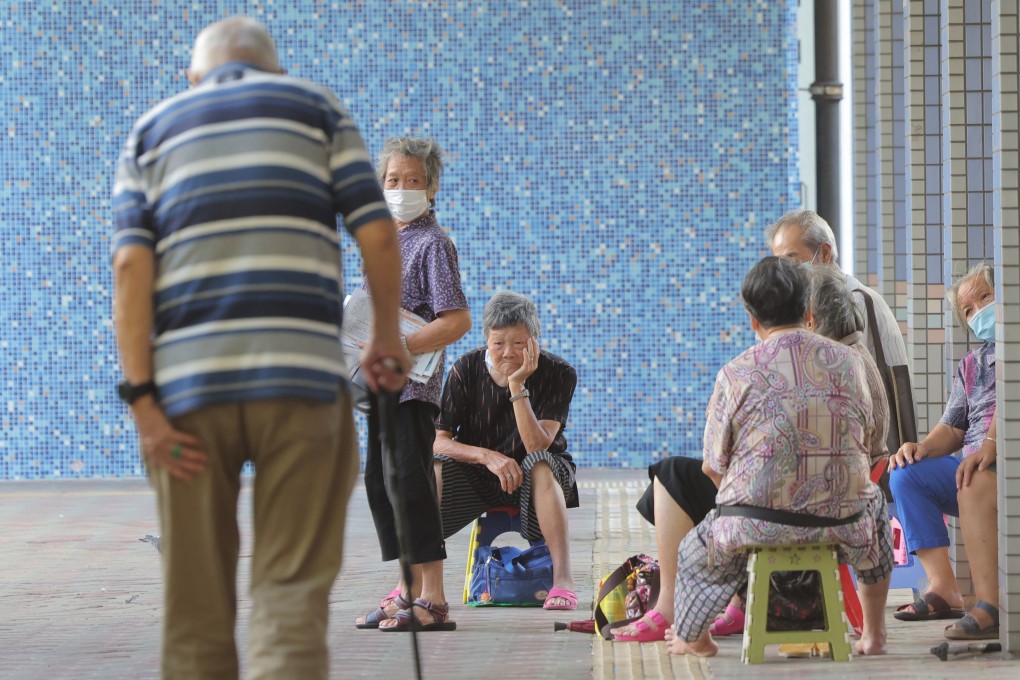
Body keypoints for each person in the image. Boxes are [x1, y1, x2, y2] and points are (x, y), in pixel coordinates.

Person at [111, 17, 408, 679]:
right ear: (276, 72)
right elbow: (378, 233)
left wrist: (145, 407)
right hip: (302, 391)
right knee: (290, 599)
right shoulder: (315, 108)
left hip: (187, 402)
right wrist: (386, 338)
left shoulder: (151, 132)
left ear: (193, 77)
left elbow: (130, 269)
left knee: (194, 609)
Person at [612, 264, 890, 643]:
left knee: (693, 552)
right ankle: (873, 634)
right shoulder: (850, 362)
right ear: (809, 311)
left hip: (754, 528)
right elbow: (870, 441)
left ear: (752, 319)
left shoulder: (735, 373)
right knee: (877, 515)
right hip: (845, 524)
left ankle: (695, 640)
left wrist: (754, 497)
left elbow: (712, 467)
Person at [356, 137, 472, 633]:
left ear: (432, 187)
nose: (401, 188)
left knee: (411, 487)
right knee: (382, 485)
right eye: (393, 180)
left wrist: (400, 346)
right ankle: (407, 589)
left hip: (413, 388)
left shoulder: (432, 244)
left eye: (413, 180)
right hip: (380, 386)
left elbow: (457, 320)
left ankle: (434, 600)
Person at [433, 291, 580, 610]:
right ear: (486, 340)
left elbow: (537, 445)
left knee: (539, 462)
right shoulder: (466, 369)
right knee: (435, 468)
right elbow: (439, 440)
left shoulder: (559, 372)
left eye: (519, 343)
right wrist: (487, 457)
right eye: (498, 343)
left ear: (534, 341)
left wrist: (517, 386)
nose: (508, 352)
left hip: (540, 480)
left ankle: (563, 581)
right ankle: (419, 585)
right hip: (480, 475)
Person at [888, 263, 999, 640]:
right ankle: (943, 588)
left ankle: (989, 606)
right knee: (905, 474)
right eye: (968, 310)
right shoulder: (972, 365)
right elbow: (953, 427)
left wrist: (991, 444)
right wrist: (919, 448)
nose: (979, 311)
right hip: (974, 466)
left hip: (1002, 464)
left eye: (985, 297)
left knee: (973, 477)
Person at [767, 209, 912, 455]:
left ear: (824, 253)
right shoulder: (825, 299)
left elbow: (835, 375)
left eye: (792, 261)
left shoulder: (849, 300)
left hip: (871, 447)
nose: (786, 274)